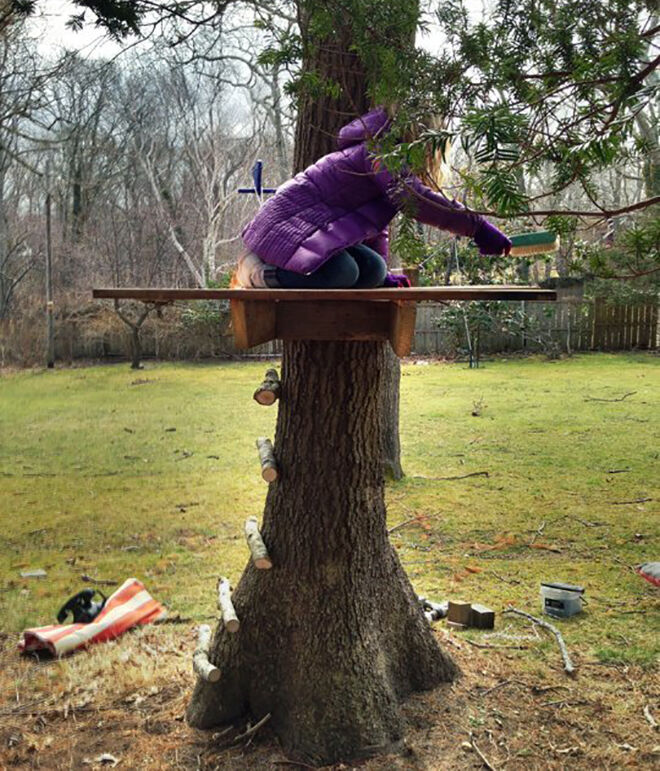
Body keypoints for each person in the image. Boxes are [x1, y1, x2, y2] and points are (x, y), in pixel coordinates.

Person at [236, 107, 511, 289]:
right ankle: (256, 274)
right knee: (342, 272)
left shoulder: (382, 161)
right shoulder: (378, 153)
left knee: (373, 270)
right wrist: (476, 227)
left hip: (308, 235)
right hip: (282, 231)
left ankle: (272, 272)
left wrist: (383, 278)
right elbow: (413, 198)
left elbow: (373, 227)